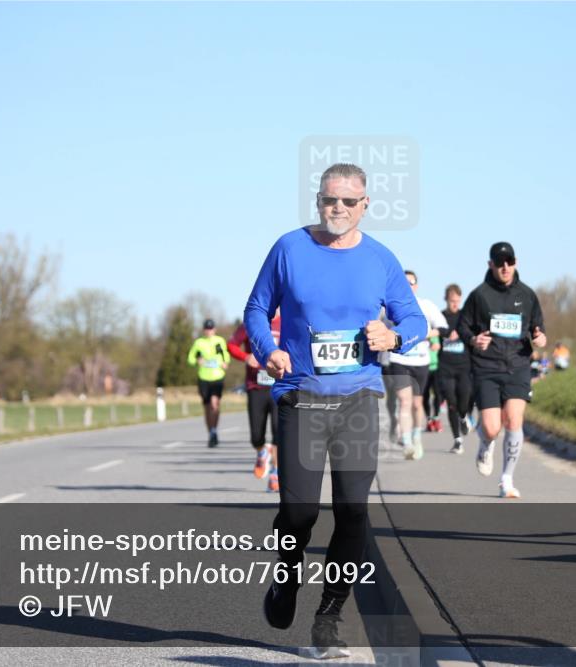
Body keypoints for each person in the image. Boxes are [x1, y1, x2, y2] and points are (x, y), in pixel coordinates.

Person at [244, 163, 426, 656]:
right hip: (302, 393)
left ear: (366, 205)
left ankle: (329, 616)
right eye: (330, 200)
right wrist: (268, 350)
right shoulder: (289, 249)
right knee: (299, 511)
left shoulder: (380, 259)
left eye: (349, 202)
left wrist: (394, 335)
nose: (338, 209)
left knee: (352, 512)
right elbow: (256, 309)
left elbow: (414, 318)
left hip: (359, 397)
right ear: (317, 200)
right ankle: (286, 580)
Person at [456, 242, 547, 499]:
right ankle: (486, 443)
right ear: (491, 265)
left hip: (518, 365)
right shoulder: (479, 295)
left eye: (509, 261)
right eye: (499, 262)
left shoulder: (527, 295)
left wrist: (540, 338)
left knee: (514, 420)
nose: (505, 267)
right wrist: (474, 340)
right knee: (493, 427)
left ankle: (506, 479)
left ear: (515, 262)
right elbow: (463, 328)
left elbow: (538, 329)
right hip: (487, 366)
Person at [386, 270, 448, 461]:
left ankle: (416, 436)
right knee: (404, 401)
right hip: (399, 360)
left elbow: (444, 328)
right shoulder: (389, 306)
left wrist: (424, 334)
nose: (408, 286)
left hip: (421, 360)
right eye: (403, 283)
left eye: (411, 283)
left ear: (416, 285)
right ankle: (406, 442)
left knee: (417, 403)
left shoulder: (426, 306)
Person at [228, 311, 282, 492]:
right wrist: (245, 357)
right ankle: (261, 451)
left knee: (278, 432)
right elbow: (231, 345)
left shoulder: (288, 321)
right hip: (255, 386)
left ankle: (275, 473)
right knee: (256, 435)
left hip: (279, 386)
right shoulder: (251, 323)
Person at [437, 283, 473, 454]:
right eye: (452, 301)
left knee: (464, 400)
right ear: (446, 299)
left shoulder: (464, 317)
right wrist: (444, 335)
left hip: (464, 366)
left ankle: (464, 416)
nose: (455, 305)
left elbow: (472, 334)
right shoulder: (440, 316)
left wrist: (463, 334)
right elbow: (433, 331)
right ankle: (457, 440)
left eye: (458, 301)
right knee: (452, 402)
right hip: (445, 366)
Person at [186, 319, 230, 447]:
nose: (209, 331)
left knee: (215, 404)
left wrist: (225, 363)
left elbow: (226, 356)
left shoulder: (220, 341)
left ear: (214, 329)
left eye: (211, 329)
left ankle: (214, 430)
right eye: (207, 329)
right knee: (207, 407)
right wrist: (196, 361)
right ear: (204, 330)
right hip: (204, 377)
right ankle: (211, 433)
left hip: (217, 376)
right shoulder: (199, 343)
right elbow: (190, 358)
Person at [424, 334, 443, 433]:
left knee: (438, 394)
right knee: (425, 395)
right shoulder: (420, 333)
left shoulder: (436, 333)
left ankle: (436, 418)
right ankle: (429, 420)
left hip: (436, 367)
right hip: (423, 367)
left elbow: (439, 347)